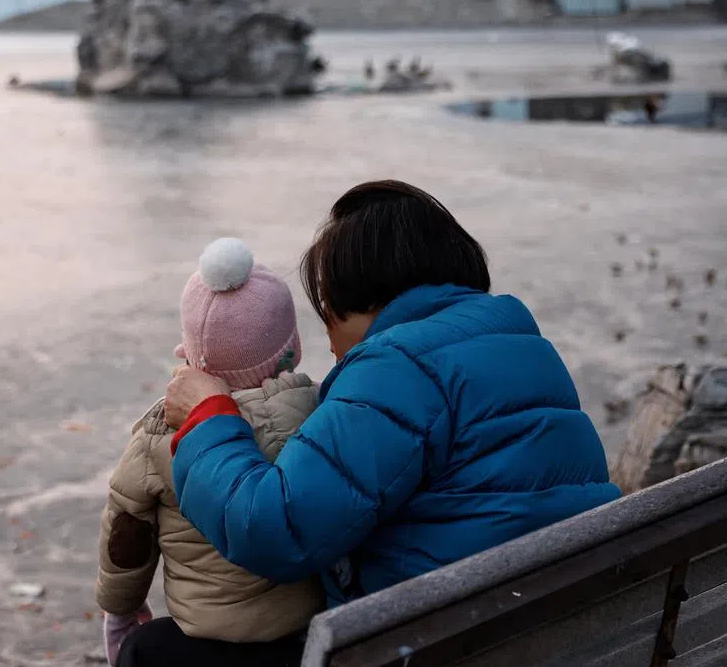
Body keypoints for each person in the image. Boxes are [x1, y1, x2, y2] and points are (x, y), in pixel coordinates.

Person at [120, 180, 621, 666]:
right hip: (555, 631)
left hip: (437, 646)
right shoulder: (525, 347)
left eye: (328, 314)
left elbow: (274, 529)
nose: (330, 342)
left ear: (361, 298)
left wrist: (208, 415)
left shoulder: (397, 367)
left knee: (150, 649)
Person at [97, 238, 323, 666]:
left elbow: (128, 537)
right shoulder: (321, 410)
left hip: (206, 638)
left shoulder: (160, 434)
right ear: (293, 346)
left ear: (189, 354)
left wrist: (120, 611)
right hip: (306, 629)